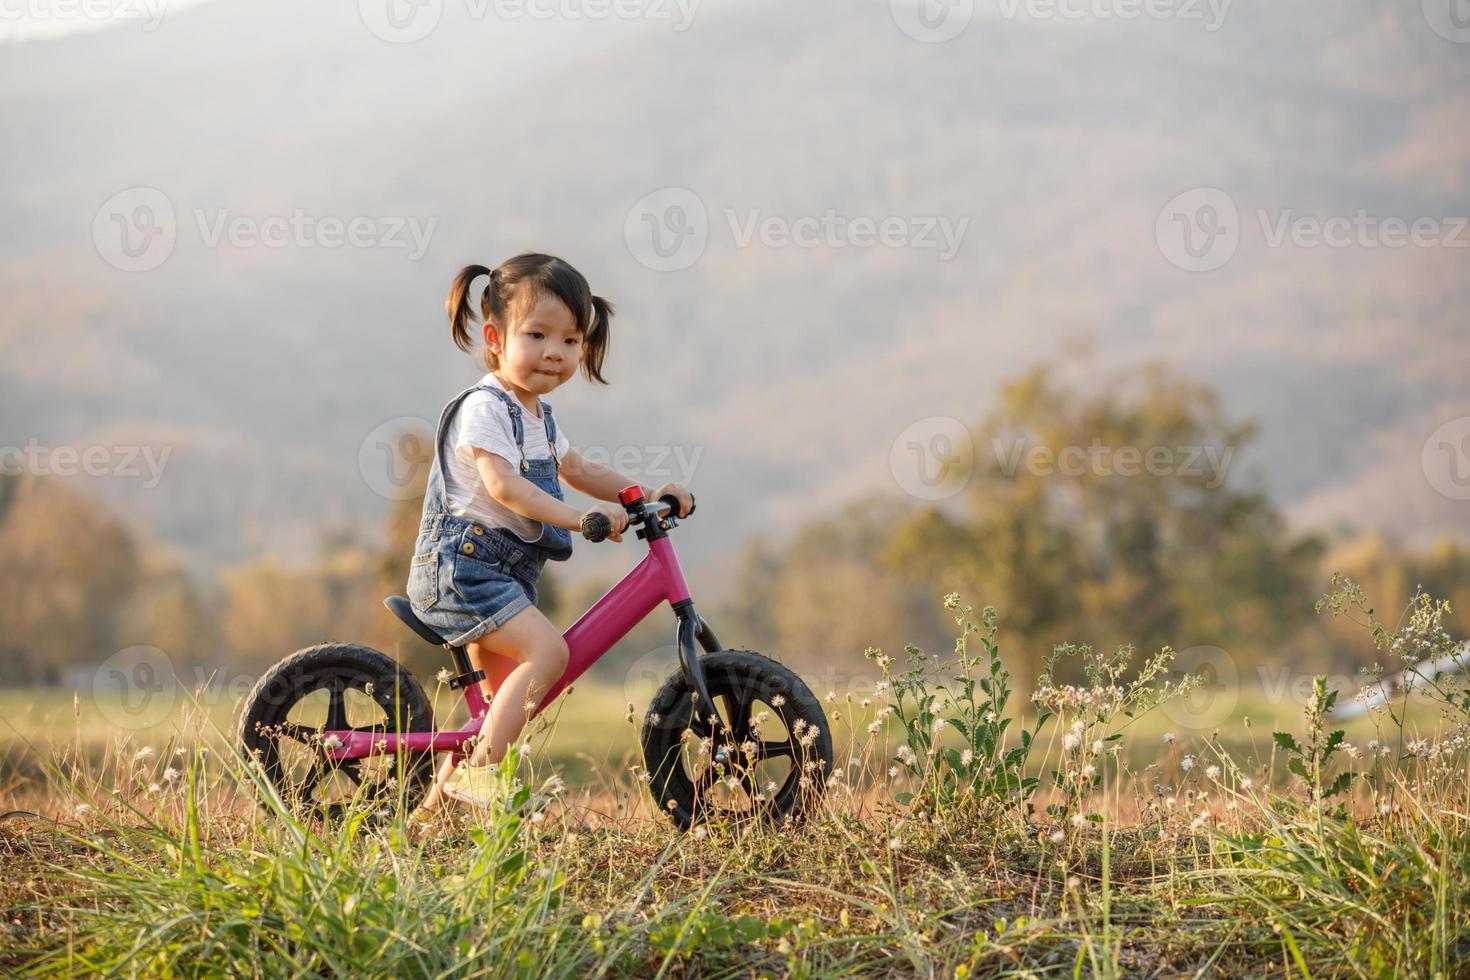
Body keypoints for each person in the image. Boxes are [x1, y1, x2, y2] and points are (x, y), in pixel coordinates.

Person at [406, 252, 693, 817]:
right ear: (494, 337)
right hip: (461, 571)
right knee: (549, 653)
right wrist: (579, 519)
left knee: (496, 714)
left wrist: (643, 495)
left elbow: (580, 471)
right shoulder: (485, 409)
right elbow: (506, 487)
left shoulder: (540, 417)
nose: (555, 353)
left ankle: (427, 819)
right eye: (537, 335)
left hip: (498, 576)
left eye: (570, 340)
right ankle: (483, 776)